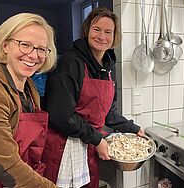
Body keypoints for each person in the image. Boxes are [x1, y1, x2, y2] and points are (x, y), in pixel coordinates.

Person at [42, 7, 144, 188]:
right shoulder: (70, 63)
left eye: (108, 32)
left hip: (88, 145)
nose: (102, 36)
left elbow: (108, 112)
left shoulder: (108, 67)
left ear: (114, 36)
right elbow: (62, 115)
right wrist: (96, 138)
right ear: (87, 30)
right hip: (64, 146)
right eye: (97, 29)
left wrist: (133, 128)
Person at [0, 13, 58, 187]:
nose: (34, 56)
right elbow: (7, 166)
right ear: (5, 46)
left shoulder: (29, 88)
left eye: (41, 49)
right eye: (25, 45)